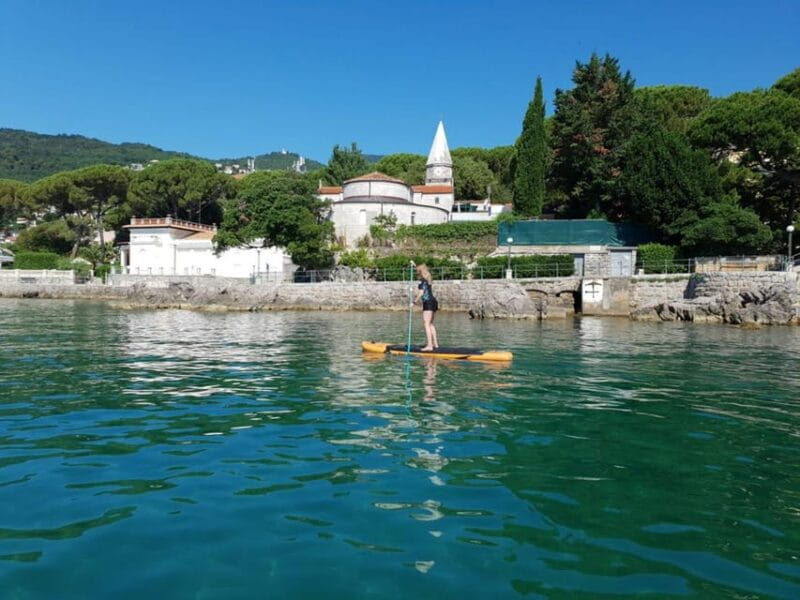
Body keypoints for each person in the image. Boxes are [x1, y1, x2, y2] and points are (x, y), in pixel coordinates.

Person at [414, 263, 439, 351]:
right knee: (430, 323)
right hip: (433, 302)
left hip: (428, 303)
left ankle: (429, 346)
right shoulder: (428, 279)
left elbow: (421, 293)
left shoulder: (422, 281)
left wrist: (414, 301)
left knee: (426, 324)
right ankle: (435, 344)